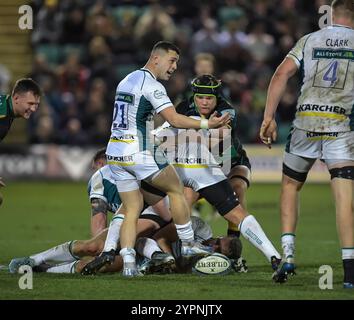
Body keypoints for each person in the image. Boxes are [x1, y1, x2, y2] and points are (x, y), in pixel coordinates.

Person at [105, 41, 230, 276]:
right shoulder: (152, 85)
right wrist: (207, 123)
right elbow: (174, 119)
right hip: (138, 150)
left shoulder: (126, 79)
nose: (174, 67)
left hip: (115, 152)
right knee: (176, 188)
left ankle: (129, 264)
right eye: (171, 61)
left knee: (132, 209)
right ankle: (188, 244)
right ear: (155, 59)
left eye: (177, 63)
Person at [259, 0, 354, 288]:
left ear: (331, 15)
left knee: (290, 185)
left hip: (305, 124)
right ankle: (350, 272)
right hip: (340, 126)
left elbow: (281, 75)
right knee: (344, 198)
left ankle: (287, 255)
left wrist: (269, 117)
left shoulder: (310, 39)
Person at [176, 74, 251, 238]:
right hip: (200, 165)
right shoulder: (182, 108)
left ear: (216, 97)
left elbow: (217, 140)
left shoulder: (226, 111)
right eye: (200, 97)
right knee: (185, 198)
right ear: (194, 97)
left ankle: (233, 246)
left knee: (237, 189)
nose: (204, 102)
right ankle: (183, 246)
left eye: (209, 98)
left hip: (230, 162)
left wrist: (182, 139)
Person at [0, 78, 41, 206]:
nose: (33, 109)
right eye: (30, 103)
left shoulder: (6, 109)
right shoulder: (2, 116)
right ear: (16, 98)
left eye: (36, 105)